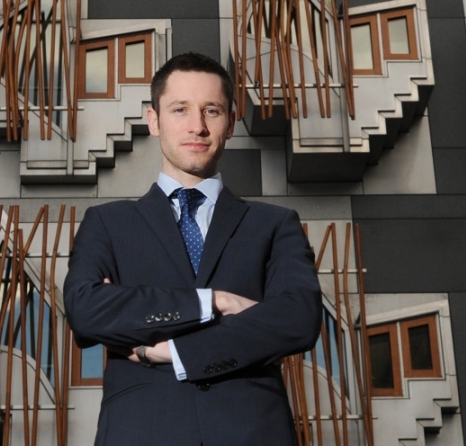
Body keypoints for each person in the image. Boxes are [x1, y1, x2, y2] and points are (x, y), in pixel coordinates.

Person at [63, 52, 322, 446]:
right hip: (141, 432)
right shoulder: (107, 223)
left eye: (212, 111)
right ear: (154, 120)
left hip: (252, 432)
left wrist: (168, 352)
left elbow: (298, 320)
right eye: (180, 109)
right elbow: (86, 310)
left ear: (231, 123)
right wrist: (211, 302)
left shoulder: (275, 224)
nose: (197, 126)